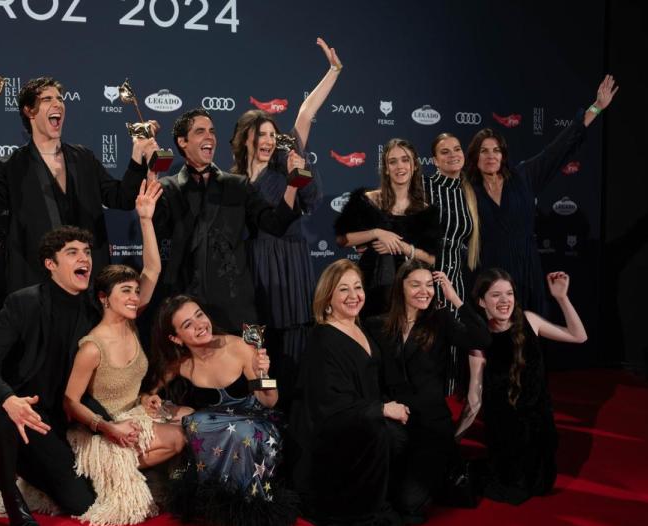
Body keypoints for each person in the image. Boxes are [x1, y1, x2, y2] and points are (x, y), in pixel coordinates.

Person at [0, 225, 130, 526]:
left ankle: (17, 462)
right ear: (50, 264)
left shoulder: (92, 309)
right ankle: (13, 500)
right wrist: (9, 399)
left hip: (49, 418)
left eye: (86, 252)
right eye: (72, 252)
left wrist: (109, 424)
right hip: (8, 408)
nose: (83, 258)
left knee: (81, 501)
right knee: (2, 414)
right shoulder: (23, 303)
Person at [63, 180, 185, 526]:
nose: (134, 297)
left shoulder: (131, 323)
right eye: (125, 292)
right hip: (101, 433)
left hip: (134, 416)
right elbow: (71, 403)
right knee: (177, 436)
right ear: (104, 298)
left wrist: (145, 219)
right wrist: (110, 428)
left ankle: (126, 473)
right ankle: (105, 477)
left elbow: (153, 270)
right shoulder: (92, 346)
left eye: (135, 291)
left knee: (189, 417)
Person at [231, 37, 340, 411]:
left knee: (292, 343)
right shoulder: (234, 181)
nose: (266, 140)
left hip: (290, 262)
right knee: (259, 351)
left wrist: (333, 71)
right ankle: (261, 417)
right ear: (245, 139)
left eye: (270, 135)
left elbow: (306, 114)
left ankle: (292, 415)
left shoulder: (285, 164)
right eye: (258, 135)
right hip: (255, 267)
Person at [0, 76, 154, 297]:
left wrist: (137, 155)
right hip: (37, 288)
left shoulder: (84, 158)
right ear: (30, 111)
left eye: (60, 98)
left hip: (87, 287)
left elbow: (122, 199)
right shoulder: (10, 166)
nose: (58, 103)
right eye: (47, 99)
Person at [122, 108, 301, 333]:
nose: (209, 137)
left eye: (212, 131)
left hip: (235, 308)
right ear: (182, 142)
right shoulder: (167, 189)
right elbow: (153, 236)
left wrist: (293, 183)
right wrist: (150, 169)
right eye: (200, 131)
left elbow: (275, 224)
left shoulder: (239, 185)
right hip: (184, 309)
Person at [465, 75, 618, 313]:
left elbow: (559, 148)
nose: (491, 155)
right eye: (484, 151)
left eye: (496, 150)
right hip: (486, 276)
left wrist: (596, 107)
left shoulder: (524, 176)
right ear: (475, 157)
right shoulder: (467, 190)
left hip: (526, 274)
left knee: (527, 339)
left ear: (503, 155)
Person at [146, 295, 297, 526]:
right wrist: (149, 399)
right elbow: (148, 391)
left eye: (199, 315)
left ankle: (252, 506)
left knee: (232, 428)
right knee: (195, 422)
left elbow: (270, 401)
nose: (199, 325)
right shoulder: (180, 365)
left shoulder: (239, 346)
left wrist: (263, 374)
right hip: (217, 432)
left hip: (258, 425)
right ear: (176, 338)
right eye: (187, 325)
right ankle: (220, 503)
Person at [291, 259, 406, 526]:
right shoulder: (323, 339)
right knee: (383, 434)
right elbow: (330, 403)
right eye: (344, 289)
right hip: (336, 432)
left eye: (358, 287)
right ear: (327, 297)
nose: (354, 295)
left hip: (362, 417)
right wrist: (380, 410)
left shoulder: (360, 326)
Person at [365, 260, 490, 525]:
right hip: (396, 423)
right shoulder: (377, 325)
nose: (425, 291)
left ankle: (443, 465)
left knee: (409, 506)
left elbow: (481, 339)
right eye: (415, 284)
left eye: (429, 285)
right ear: (401, 288)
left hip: (432, 426)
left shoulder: (441, 320)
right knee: (378, 498)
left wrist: (455, 298)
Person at [456, 269, 587, 505]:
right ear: (481, 301)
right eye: (496, 295)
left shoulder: (530, 320)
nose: (505, 301)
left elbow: (579, 337)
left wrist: (561, 298)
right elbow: (474, 399)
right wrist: (453, 440)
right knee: (513, 491)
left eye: (509, 293)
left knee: (539, 486)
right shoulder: (480, 340)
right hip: (505, 434)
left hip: (540, 431)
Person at [334, 138, 441, 317]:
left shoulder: (426, 210)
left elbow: (431, 258)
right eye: (393, 161)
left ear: (414, 165)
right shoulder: (367, 200)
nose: (400, 166)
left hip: (410, 291)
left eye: (405, 160)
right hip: (370, 284)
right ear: (385, 168)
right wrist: (377, 233)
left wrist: (400, 246)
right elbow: (342, 238)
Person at [425, 133, 479, 305]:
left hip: (457, 282)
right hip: (425, 280)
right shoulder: (422, 186)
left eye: (457, 149)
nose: (453, 155)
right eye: (445, 152)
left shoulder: (469, 192)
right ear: (435, 160)